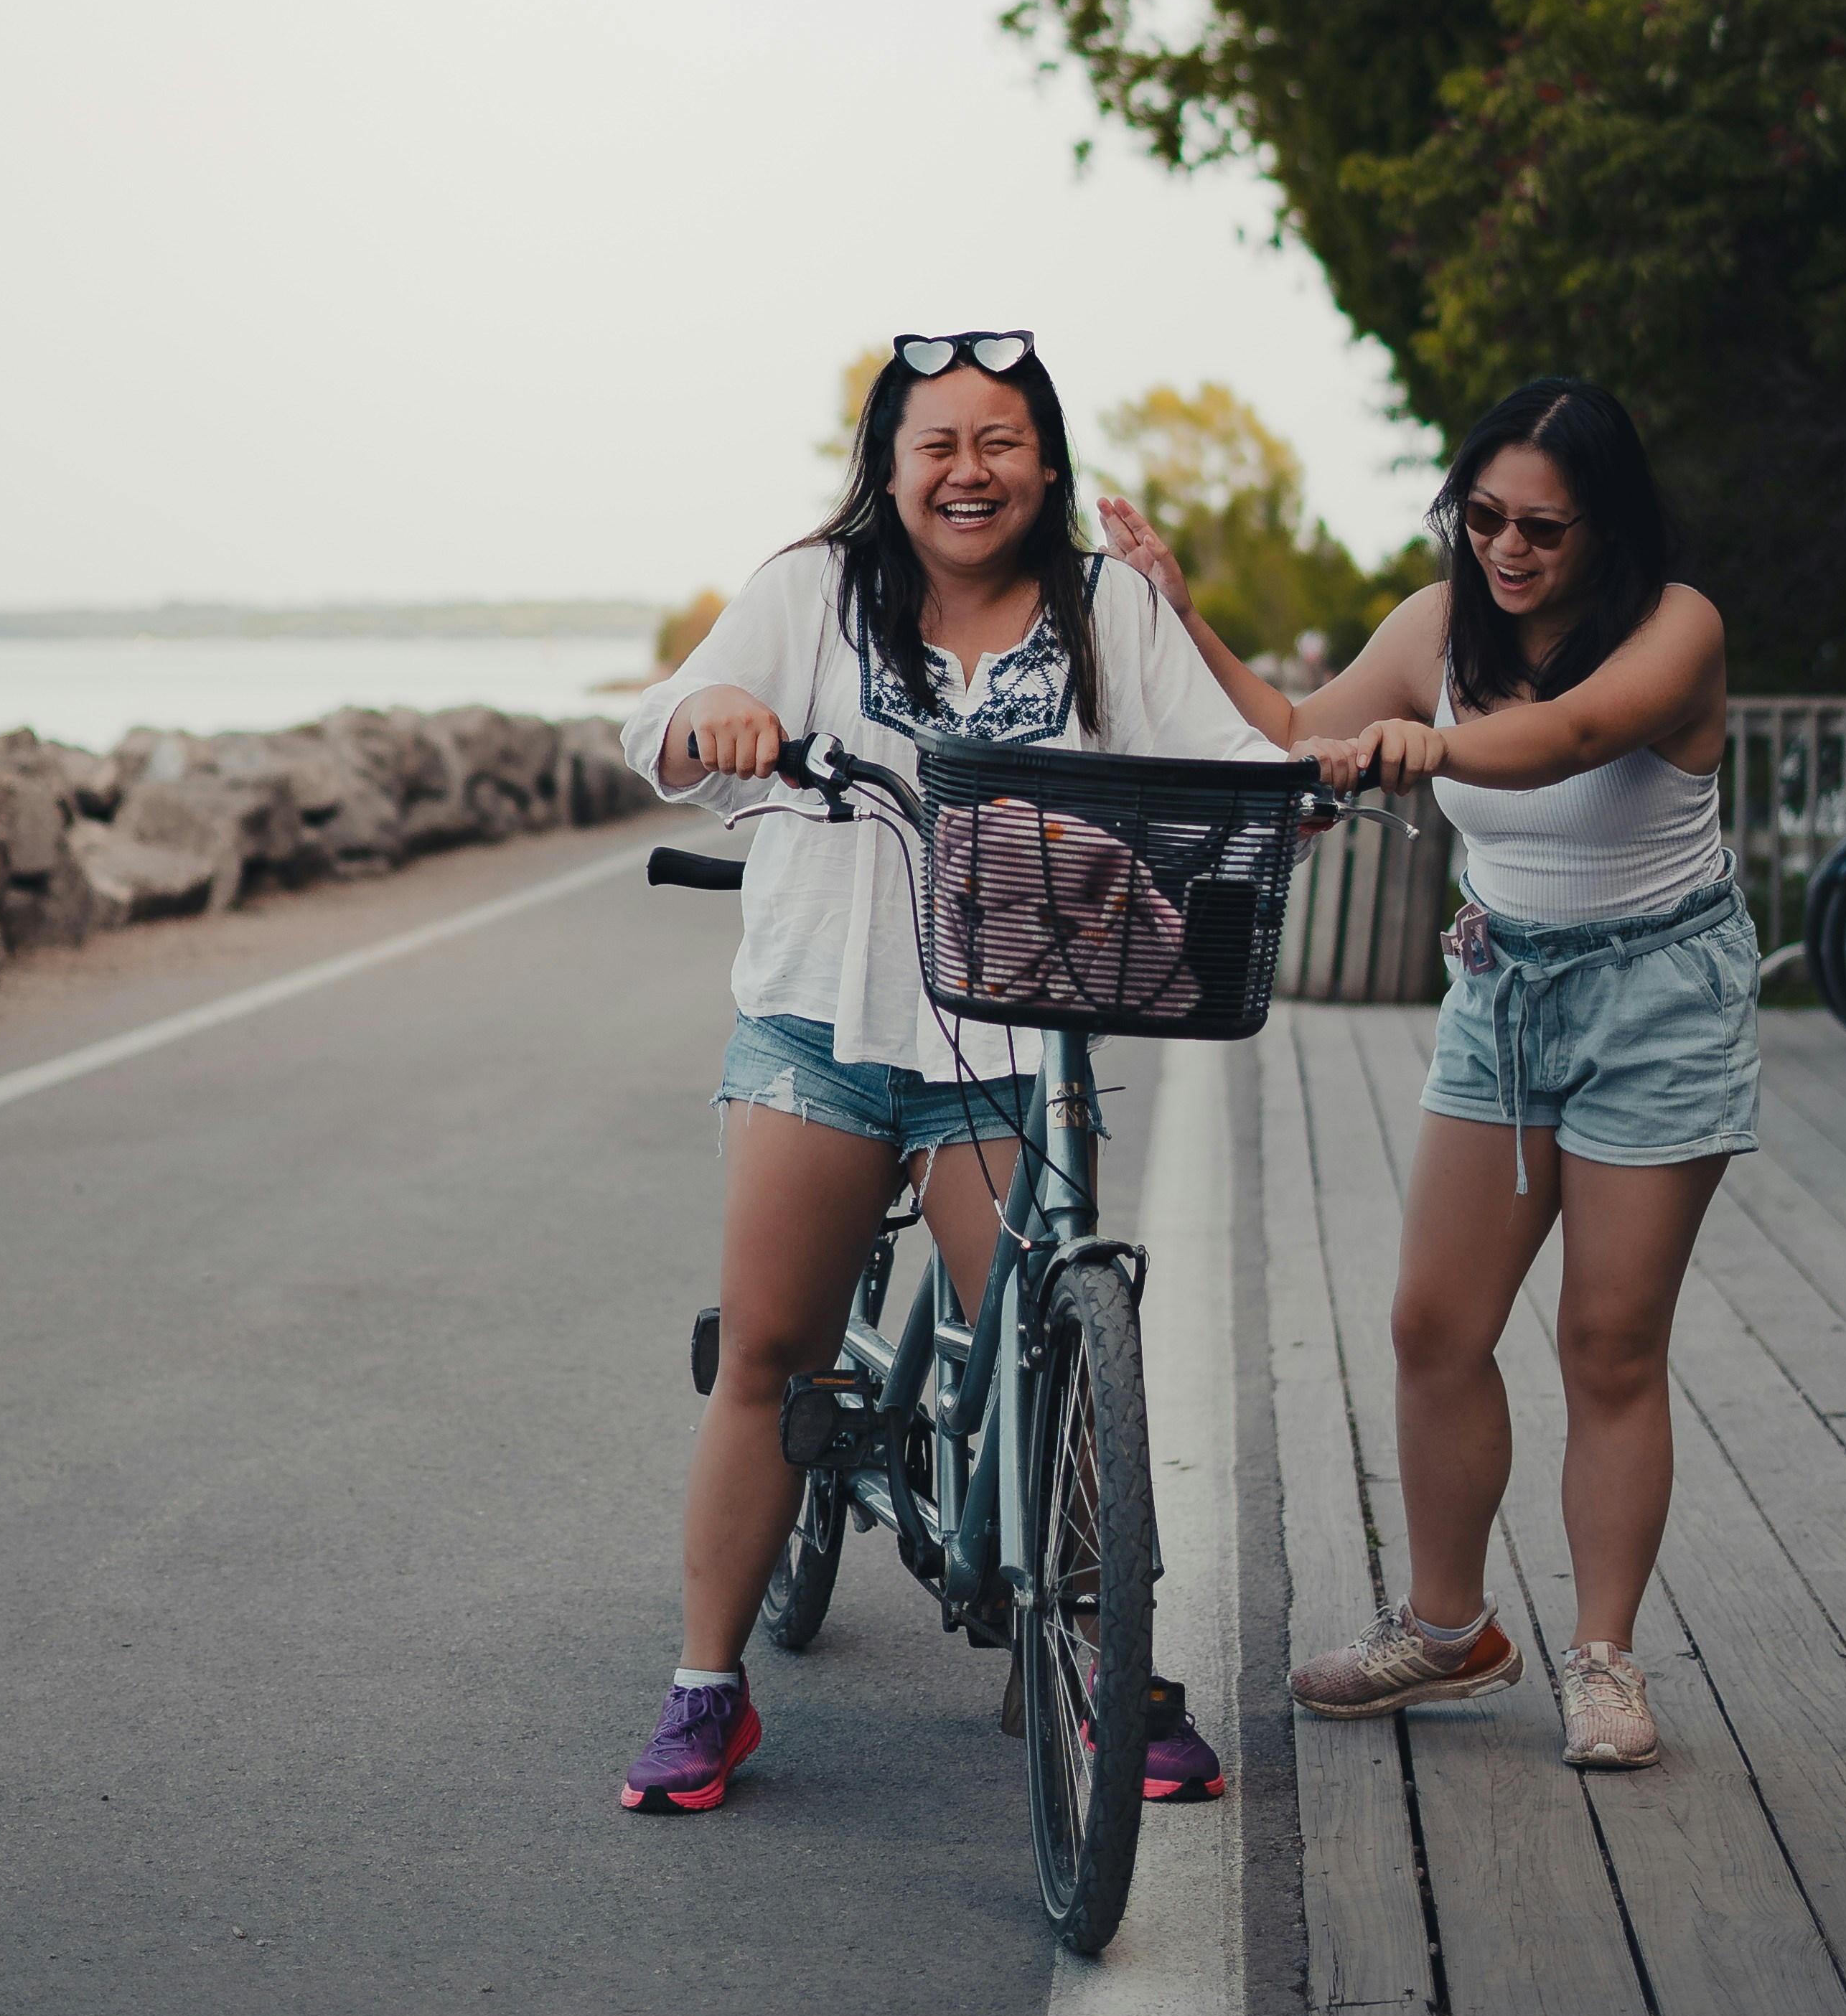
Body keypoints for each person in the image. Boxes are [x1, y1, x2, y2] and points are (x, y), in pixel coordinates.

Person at [617, 330, 1285, 1816]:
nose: (967, 471)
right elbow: (656, 729)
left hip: (1015, 1040)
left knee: (1054, 1346)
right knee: (770, 1354)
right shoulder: (814, 591)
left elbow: (1229, 759)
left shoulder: (1109, 611)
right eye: (937, 445)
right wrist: (711, 725)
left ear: (1045, 464)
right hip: (824, 1029)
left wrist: (1294, 800)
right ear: (892, 468)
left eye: (999, 442)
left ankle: (1111, 1666)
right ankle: (707, 1687)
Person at [1100, 375, 1756, 1770]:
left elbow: (1572, 737)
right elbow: (1294, 726)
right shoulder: (1438, 622)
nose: (1509, 551)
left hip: (1660, 999)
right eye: (1486, 519)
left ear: (1605, 530)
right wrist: (1180, 610)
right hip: (1504, 991)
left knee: (1609, 1344)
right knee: (1433, 1326)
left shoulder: (1673, 628)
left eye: (1544, 529)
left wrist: (1432, 746)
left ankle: (1604, 1662)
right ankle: (1449, 1632)